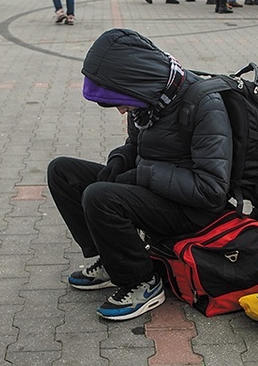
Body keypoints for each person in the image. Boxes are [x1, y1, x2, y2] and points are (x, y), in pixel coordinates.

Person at [47, 28, 232, 321]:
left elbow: (211, 190)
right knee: (63, 171)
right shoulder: (151, 98)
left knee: (100, 197)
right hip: (159, 190)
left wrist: (141, 174)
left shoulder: (204, 105)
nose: (122, 111)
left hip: (194, 210)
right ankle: (112, 259)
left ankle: (142, 281)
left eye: (121, 102)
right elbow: (136, 145)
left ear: (135, 84)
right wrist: (118, 162)